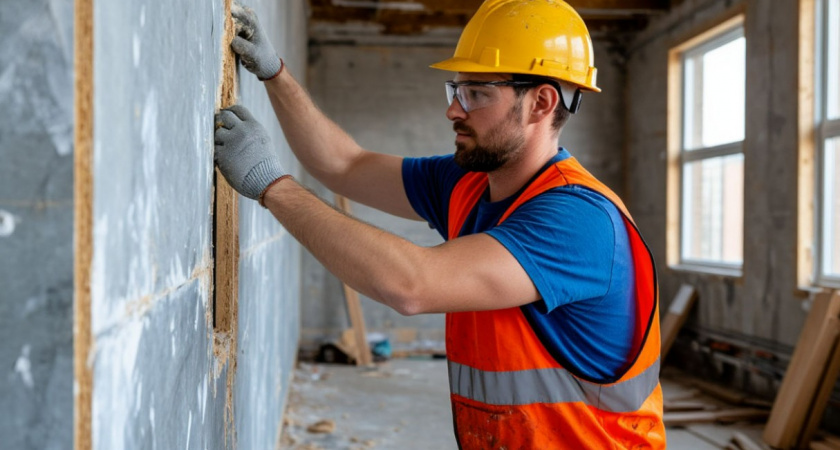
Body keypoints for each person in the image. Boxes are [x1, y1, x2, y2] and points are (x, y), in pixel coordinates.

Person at [214, 0, 665, 448]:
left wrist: (272, 186)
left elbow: (414, 285)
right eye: (456, 91)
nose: (454, 110)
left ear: (541, 103)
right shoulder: (468, 183)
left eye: (477, 94)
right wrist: (276, 74)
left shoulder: (580, 221)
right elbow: (344, 164)